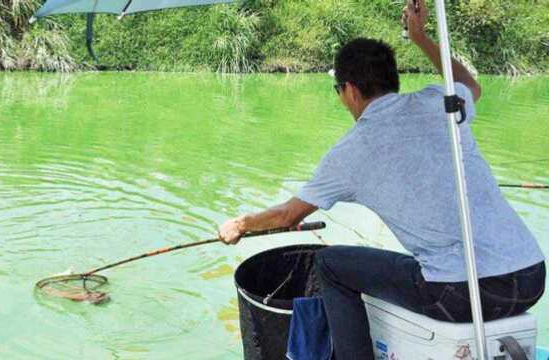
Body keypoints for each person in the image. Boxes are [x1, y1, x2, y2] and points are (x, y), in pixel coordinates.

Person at [218, 0, 546, 358]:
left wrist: (241, 223)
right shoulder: (440, 101)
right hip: (530, 277)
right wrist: (420, 38)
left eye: (338, 91)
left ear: (351, 91)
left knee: (330, 265)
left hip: (462, 296)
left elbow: (287, 216)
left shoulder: (350, 151)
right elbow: (468, 84)